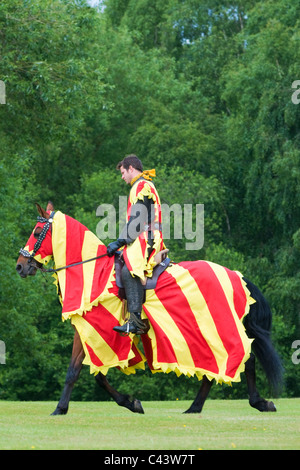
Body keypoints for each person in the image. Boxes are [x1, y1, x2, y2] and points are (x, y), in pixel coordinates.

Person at [107, 154, 165, 335]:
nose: (122, 177)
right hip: (142, 236)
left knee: (129, 270)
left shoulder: (141, 186)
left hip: (147, 238)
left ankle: (135, 321)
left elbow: (138, 220)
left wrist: (120, 241)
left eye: (123, 172)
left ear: (131, 169)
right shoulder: (141, 185)